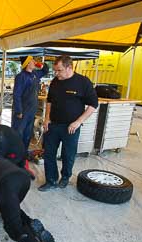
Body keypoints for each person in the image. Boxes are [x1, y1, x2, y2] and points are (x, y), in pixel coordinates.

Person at [39, 55, 98, 191]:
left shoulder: (83, 82)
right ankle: (51, 180)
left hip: (71, 127)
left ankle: (65, 177)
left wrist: (78, 122)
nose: (56, 73)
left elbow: (93, 105)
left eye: (59, 70)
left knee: (68, 154)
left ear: (69, 68)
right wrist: (47, 118)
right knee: (48, 153)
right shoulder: (55, 81)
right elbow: (50, 101)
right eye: (55, 70)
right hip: (53, 125)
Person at [12, 56, 49, 150]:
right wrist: (18, 110)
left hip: (31, 110)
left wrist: (41, 64)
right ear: (28, 64)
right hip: (22, 110)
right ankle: (15, 154)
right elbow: (17, 94)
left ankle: (24, 155)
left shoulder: (35, 74)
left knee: (28, 134)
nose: (34, 62)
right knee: (18, 133)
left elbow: (45, 70)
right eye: (32, 61)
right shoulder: (21, 77)